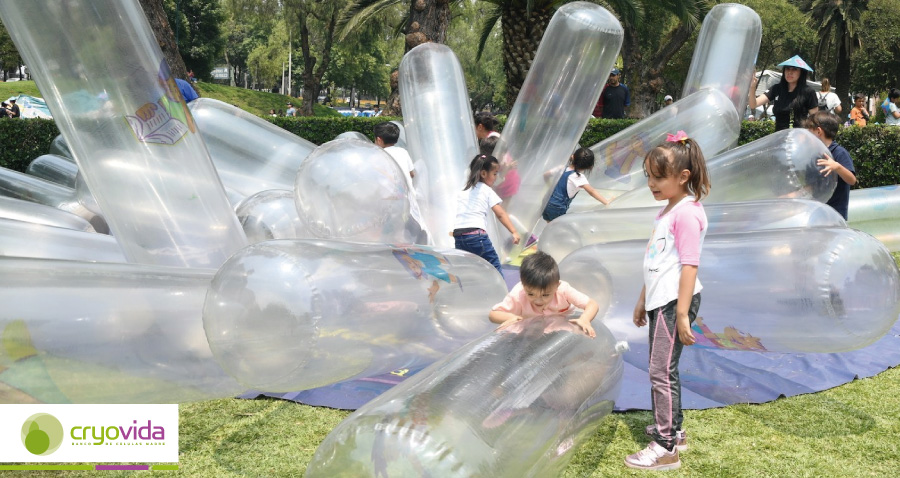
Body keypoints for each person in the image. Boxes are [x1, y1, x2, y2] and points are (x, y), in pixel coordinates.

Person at [625, 130, 710, 471]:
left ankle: (666, 446)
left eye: (659, 177)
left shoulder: (686, 213)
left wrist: (683, 314)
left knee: (660, 371)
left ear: (683, 176)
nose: (652, 183)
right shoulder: (669, 210)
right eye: (648, 176)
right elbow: (658, 261)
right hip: (660, 300)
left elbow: (689, 264)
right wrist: (641, 300)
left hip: (674, 303)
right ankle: (674, 429)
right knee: (663, 369)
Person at [489, 251, 599, 337]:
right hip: (532, 334)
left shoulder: (563, 290)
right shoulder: (519, 293)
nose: (538, 300)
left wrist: (585, 319)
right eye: (531, 294)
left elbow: (592, 304)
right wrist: (511, 317)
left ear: (557, 285)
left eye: (545, 295)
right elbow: (493, 314)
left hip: (560, 332)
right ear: (523, 285)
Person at [453, 154, 520, 275]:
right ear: (484, 174)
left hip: (459, 236)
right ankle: (502, 292)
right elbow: (500, 214)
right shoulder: (486, 190)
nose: (496, 177)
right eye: (494, 174)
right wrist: (514, 231)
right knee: (493, 266)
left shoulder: (463, 190)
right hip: (477, 237)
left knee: (468, 269)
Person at [374, 121, 427, 242]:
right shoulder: (403, 152)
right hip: (407, 200)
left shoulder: (378, 155)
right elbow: (412, 173)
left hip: (389, 201)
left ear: (379, 140)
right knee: (404, 230)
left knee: (388, 233)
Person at [805, 112, 857, 220]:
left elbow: (852, 180)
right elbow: (809, 186)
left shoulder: (839, 153)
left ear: (818, 131)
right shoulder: (814, 156)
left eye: (809, 133)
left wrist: (837, 167)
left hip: (836, 215)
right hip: (817, 212)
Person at [749, 55, 818, 131]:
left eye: (794, 69)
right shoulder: (776, 88)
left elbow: (814, 119)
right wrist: (752, 87)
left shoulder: (808, 92)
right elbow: (753, 104)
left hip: (798, 137)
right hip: (779, 136)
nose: (790, 72)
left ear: (802, 73)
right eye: (787, 68)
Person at [541, 147, 610, 222]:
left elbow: (546, 175)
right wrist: (606, 202)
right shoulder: (578, 177)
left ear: (572, 157)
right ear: (590, 166)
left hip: (546, 201)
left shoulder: (561, 167)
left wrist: (549, 185)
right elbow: (592, 191)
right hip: (557, 207)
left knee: (549, 222)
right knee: (557, 226)